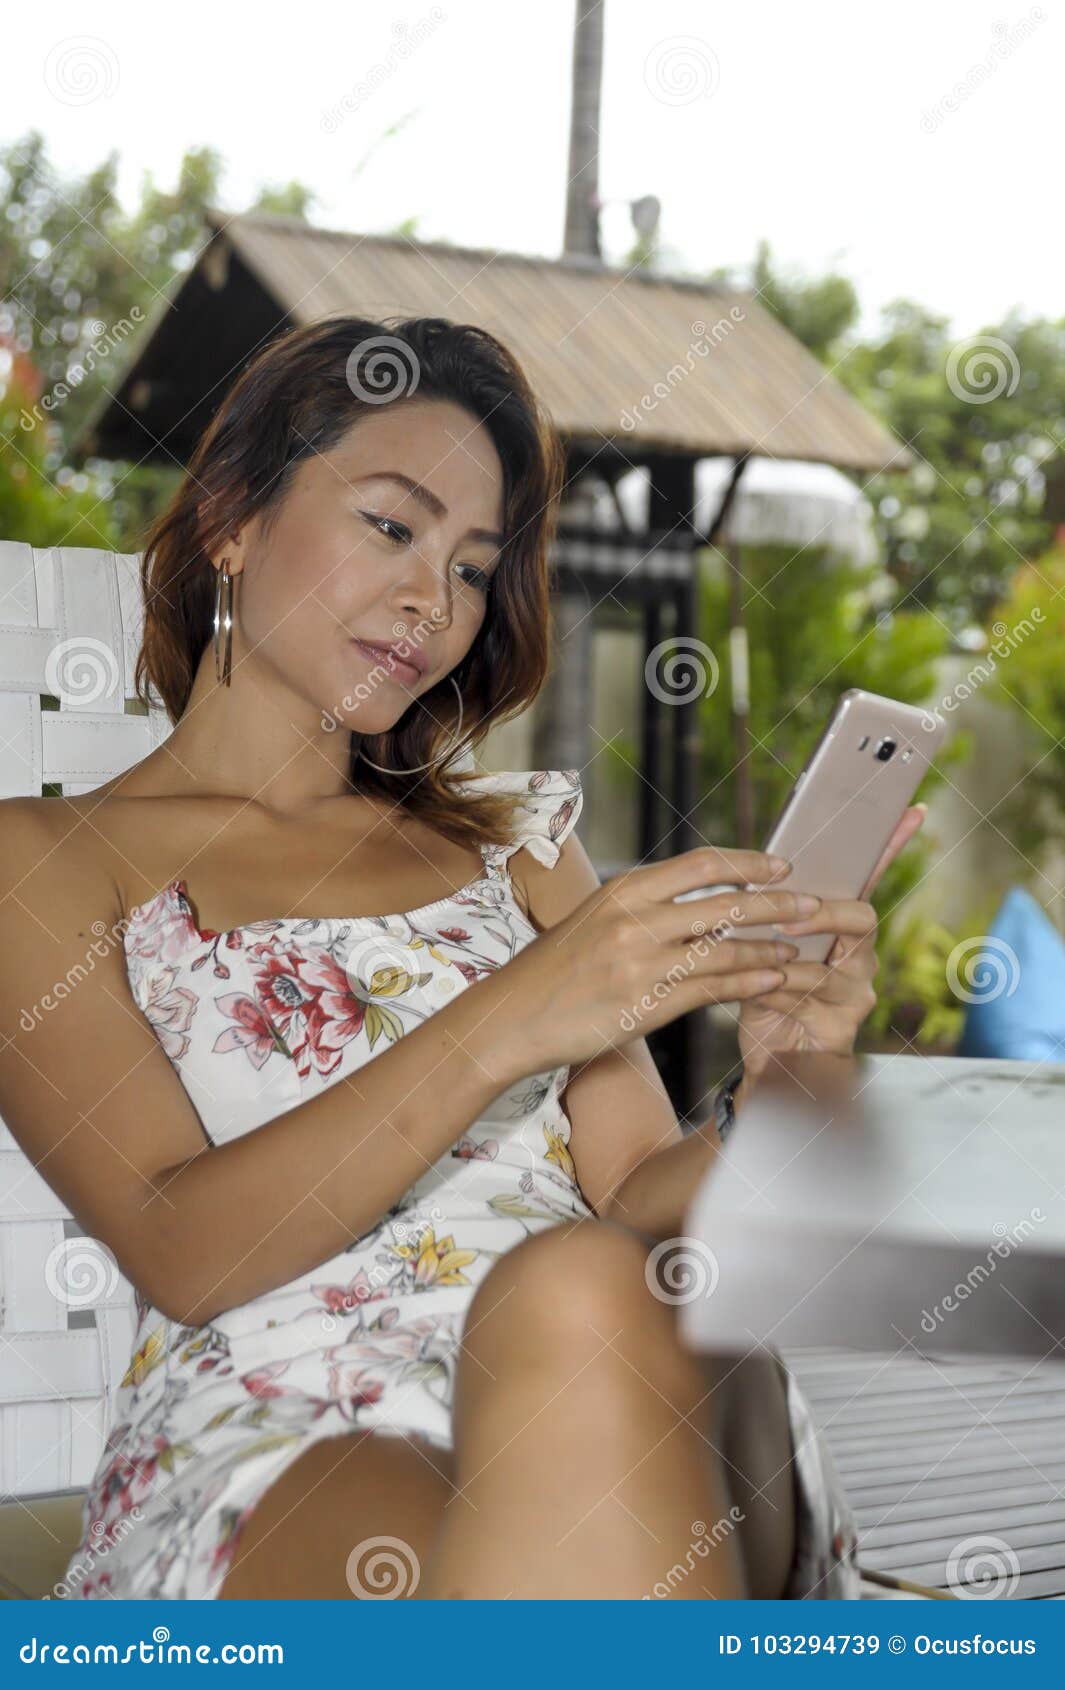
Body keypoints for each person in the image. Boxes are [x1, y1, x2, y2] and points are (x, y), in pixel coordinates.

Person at [0, 315, 922, 1601]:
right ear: (232, 516)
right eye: (392, 527)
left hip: (628, 1373)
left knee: (585, 1294)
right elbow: (177, 1242)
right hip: (298, 1412)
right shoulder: (44, 861)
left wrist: (777, 1087)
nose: (434, 602)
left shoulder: (516, 843)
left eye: (476, 567)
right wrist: (510, 1017)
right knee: (570, 1322)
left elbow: (640, 1204)